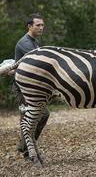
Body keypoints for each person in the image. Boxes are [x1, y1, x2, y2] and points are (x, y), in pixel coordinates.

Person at [12, 13, 50, 158]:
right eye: (38, 25)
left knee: (42, 114)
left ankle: (25, 147)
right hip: (22, 87)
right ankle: (27, 148)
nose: (41, 27)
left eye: (42, 25)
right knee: (30, 116)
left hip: (33, 85)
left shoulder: (34, 42)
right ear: (29, 26)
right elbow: (38, 63)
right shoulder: (25, 43)